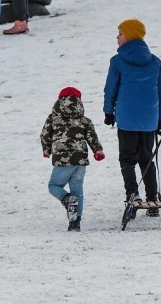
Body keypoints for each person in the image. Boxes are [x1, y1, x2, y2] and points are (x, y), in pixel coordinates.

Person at [103, 19, 161, 217]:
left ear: (129, 36)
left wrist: (108, 112)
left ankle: (132, 196)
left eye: (120, 33)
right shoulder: (156, 62)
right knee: (147, 159)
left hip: (127, 119)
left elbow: (110, 89)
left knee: (127, 159)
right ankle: (153, 199)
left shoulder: (117, 61)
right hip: (149, 120)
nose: (117, 37)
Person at [40, 86, 105, 232]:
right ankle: (75, 223)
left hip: (63, 160)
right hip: (80, 160)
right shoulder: (84, 120)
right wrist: (97, 150)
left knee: (54, 186)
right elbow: (92, 137)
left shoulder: (53, 118)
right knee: (77, 190)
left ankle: (66, 199)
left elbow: (45, 135)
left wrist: (46, 150)